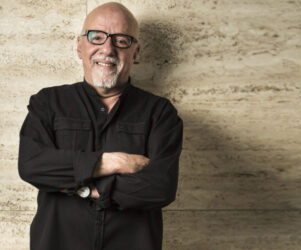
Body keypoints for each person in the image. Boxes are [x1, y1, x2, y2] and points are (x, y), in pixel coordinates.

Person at [18, 2, 183, 250]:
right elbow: (32, 166)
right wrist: (111, 162)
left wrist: (84, 188)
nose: (107, 49)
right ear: (79, 46)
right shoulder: (48, 103)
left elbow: (160, 188)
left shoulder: (160, 113)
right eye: (97, 37)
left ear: (136, 51)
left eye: (121, 40)